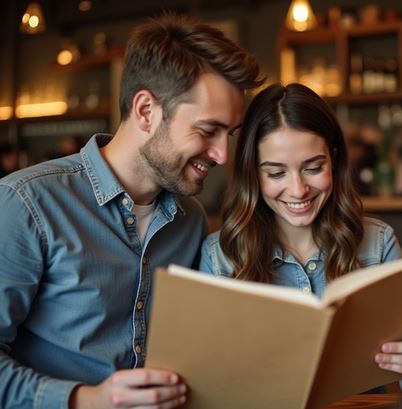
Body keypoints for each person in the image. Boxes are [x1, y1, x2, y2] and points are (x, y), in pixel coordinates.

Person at [0, 14, 262, 409]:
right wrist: (83, 400)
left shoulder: (190, 222)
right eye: (208, 131)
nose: (223, 155)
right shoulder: (27, 202)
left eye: (230, 134)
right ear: (145, 111)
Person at [200, 83, 402, 401]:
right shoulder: (218, 256)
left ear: (333, 159)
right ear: (253, 173)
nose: (298, 190)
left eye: (313, 168)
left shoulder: (378, 243)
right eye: (276, 173)